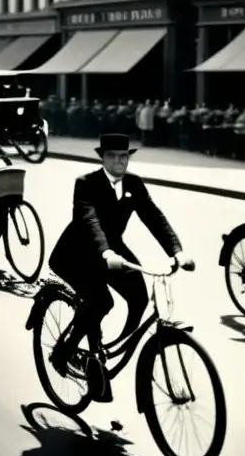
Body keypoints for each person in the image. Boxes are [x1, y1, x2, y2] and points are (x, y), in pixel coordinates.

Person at [47, 134, 194, 402]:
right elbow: (89, 221)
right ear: (102, 158)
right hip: (77, 253)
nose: (119, 161)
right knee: (101, 301)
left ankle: (111, 349)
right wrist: (105, 251)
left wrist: (177, 251)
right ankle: (65, 352)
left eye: (123, 156)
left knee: (139, 295)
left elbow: (154, 217)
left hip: (113, 250)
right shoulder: (86, 184)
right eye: (113, 156)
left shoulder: (134, 184)